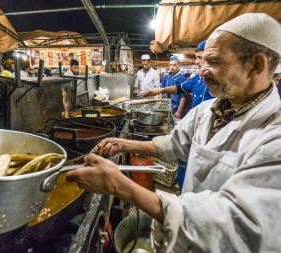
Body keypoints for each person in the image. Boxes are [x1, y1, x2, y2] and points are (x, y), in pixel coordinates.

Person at [66, 13, 281, 252]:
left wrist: (118, 185)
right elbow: (174, 145)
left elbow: (235, 222)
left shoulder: (274, 137)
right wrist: (124, 144)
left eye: (214, 61)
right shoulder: (207, 110)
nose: (202, 72)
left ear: (256, 65)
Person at [141, 41, 214, 108]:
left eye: (200, 57)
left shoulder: (220, 81)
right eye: (196, 57)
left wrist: (179, 111)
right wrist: (160, 90)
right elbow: (179, 88)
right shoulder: (197, 79)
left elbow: (183, 97)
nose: (196, 62)